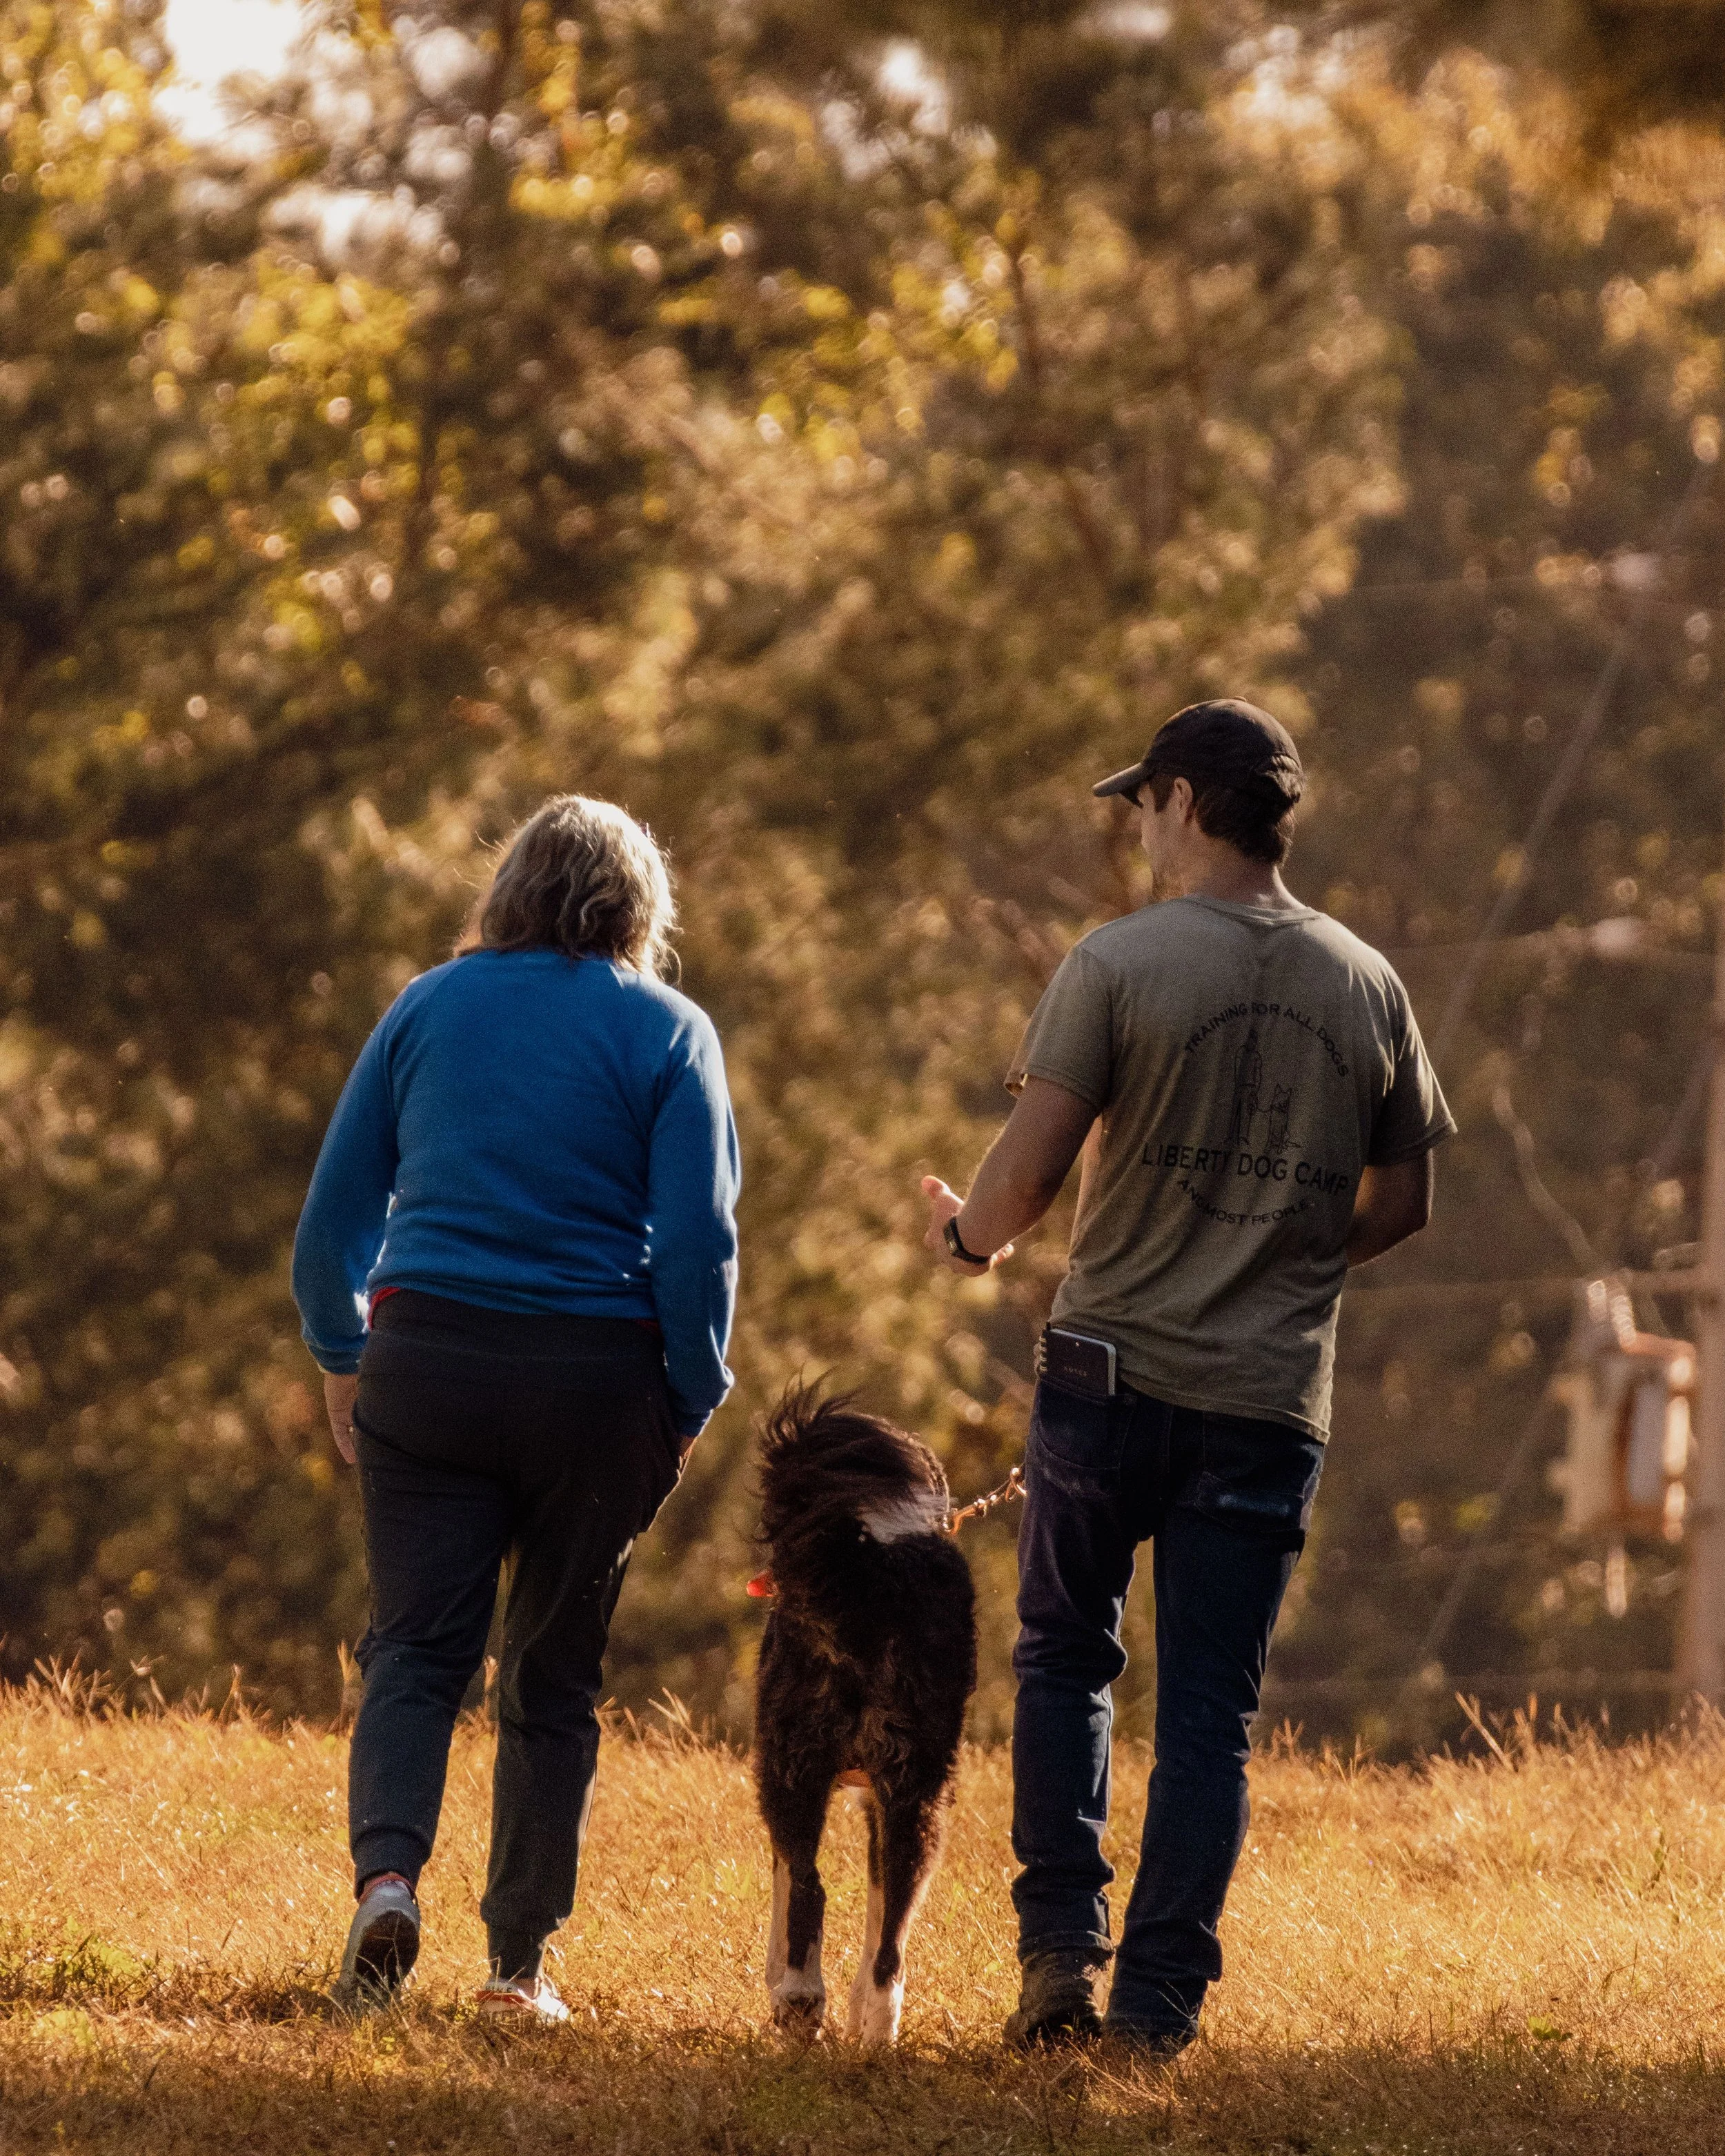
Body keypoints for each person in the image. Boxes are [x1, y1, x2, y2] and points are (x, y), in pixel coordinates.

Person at [920, 700, 1452, 2056]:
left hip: (1107, 1373)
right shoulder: (1363, 981)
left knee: (1064, 1659)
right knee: (1208, 1707)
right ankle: (1152, 2014)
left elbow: (1025, 1173)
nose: (1136, 828)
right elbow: (1402, 1201)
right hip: (1267, 1397)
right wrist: (1277, 1251)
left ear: (1182, 800)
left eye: (1141, 804)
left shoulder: (1117, 962)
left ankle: (1055, 1962)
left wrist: (963, 1235)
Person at [293, 795, 740, 2021]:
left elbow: (330, 1229)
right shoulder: (671, 1031)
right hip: (598, 1388)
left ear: (511, 890)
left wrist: (348, 1360)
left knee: (414, 1648)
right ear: (639, 909)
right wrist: (691, 1394)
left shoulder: (427, 1009)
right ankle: (516, 1967)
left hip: (428, 1360)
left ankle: (387, 1883)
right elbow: (698, 1245)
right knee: (552, 1671)